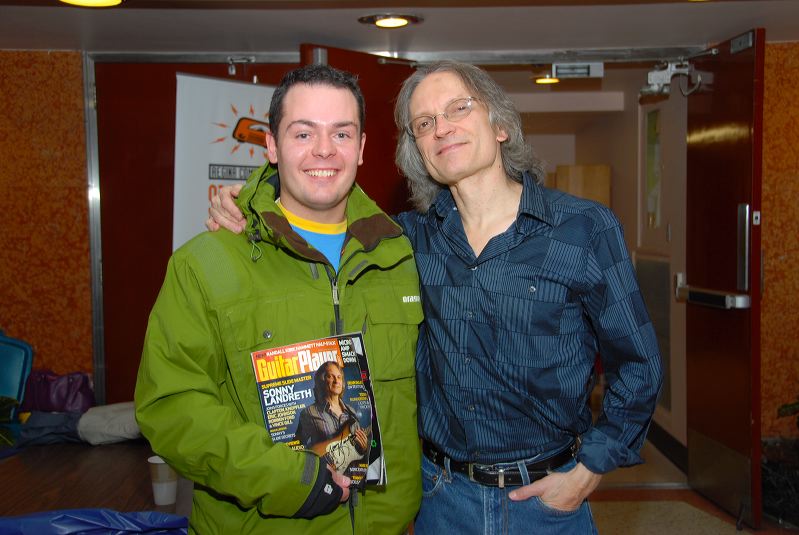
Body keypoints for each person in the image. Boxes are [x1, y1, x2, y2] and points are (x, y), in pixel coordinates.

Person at [208, 60, 663, 534]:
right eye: (424, 123)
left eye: (459, 108)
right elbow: (313, 210)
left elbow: (639, 365)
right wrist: (246, 204)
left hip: (548, 502)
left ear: (501, 125)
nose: (442, 128)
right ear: (418, 151)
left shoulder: (584, 229)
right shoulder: (404, 241)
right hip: (441, 500)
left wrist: (589, 471)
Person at [135, 64, 423, 535]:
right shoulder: (205, 264)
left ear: (362, 148)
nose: (324, 149)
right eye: (303, 133)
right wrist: (292, 480)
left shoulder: (401, 256)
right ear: (271, 146)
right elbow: (172, 407)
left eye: (341, 133)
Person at [295, 361, 370, 474]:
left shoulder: (351, 412)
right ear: (321, 380)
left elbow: (356, 456)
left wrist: (363, 448)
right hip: (322, 477)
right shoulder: (309, 413)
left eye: (339, 377)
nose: (336, 381)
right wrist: (317, 465)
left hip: (348, 478)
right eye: (331, 376)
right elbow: (297, 449)